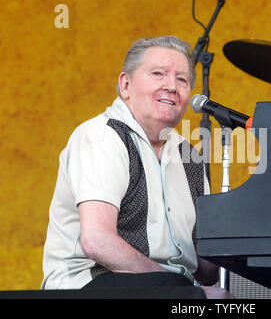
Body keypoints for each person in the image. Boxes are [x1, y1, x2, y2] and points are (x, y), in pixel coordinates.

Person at [41, 35, 232, 299]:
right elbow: (98, 242)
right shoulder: (102, 136)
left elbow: (205, 265)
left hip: (171, 288)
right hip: (88, 285)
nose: (171, 86)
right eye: (158, 74)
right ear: (126, 84)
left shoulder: (189, 155)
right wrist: (186, 292)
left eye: (182, 79)